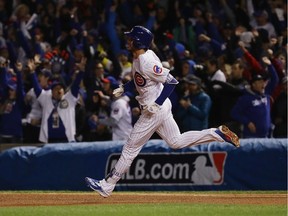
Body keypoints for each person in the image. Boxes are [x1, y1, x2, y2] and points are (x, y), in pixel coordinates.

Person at [85, 26, 240, 198]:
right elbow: (141, 81)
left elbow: (172, 82)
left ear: (138, 41)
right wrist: (124, 88)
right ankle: (216, 133)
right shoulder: (140, 57)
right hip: (158, 107)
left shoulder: (146, 61)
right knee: (176, 141)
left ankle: (108, 185)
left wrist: (157, 104)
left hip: (154, 110)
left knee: (130, 147)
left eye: (131, 38)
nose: (128, 40)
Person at [27, 57, 87, 143]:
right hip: (49, 141)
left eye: (61, 88)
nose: (59, 90)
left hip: (67, 140)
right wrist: (32, 72)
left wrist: (81, 72)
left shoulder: (69, 98)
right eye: (56, 88)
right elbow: (37, 88)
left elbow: (76, 85)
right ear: (52, 91)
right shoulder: (46, 97)